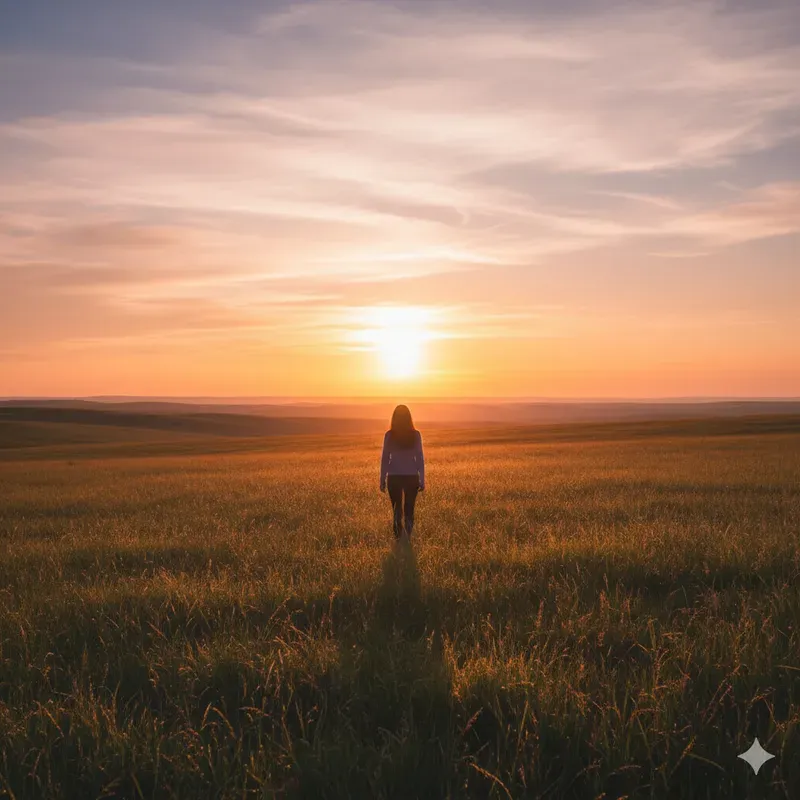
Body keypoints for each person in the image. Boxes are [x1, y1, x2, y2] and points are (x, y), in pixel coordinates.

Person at [380, 404, 425, 539]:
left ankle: (399, 540)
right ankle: (408, 539)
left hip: (394, 477)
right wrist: (422, 479)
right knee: (409, 510)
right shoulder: (416, 435)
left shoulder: (389, 435)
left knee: (396, 511)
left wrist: (382, 479)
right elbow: (420, 458)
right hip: (412, 476)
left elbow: (385, 458)